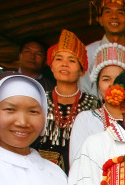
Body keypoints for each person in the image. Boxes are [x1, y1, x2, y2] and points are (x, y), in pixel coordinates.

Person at [37, 29, 100, 171]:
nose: (64, 64)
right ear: (51, 66)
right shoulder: (39, 100)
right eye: (59, 59)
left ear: (82, 69)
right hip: (40, 171)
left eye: (71, 60)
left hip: (80, 173)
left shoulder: (94, 104)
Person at [69, 45, 125, 162]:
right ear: (98, 84)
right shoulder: (86, 120)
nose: (112, 84)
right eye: (105, 79)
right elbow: (77, 165)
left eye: (119, 78)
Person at [82, 0, 125, 94]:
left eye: (120, 13)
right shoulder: (88, 52)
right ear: (100, 20)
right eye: (108, 12)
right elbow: (83, 89)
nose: (114, 16)